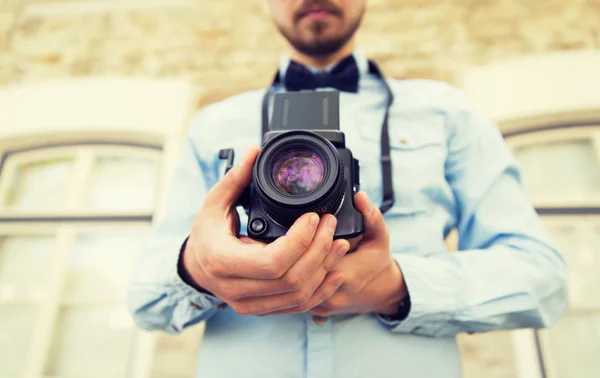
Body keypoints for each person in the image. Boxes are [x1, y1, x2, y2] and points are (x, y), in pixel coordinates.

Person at [127, 1, 569, 377]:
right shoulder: (214, 125)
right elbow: (144, 296)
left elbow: (543, 278)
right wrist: (199, 269)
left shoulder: (447, 113)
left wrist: (397, 286)